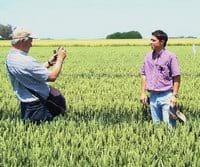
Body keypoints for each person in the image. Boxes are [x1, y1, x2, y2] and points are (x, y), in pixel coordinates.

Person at [6, 28, 67, 123]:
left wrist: (49, 63)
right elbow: (52, 76)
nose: (31, 44)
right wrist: (60, 59)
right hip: (37, 106)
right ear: (22, 41)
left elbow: (30, 72)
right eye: (30, 41)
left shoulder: (12, 57)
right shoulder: (24, 60)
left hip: (28, 104)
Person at [140, 30, 181, 127]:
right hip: (153, 96)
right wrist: (143, 93)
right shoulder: (148, 56)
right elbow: (143, 74)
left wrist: (174, 96)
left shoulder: (170, 56)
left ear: (161, 42)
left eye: (153, 40)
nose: (151, 42)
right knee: (157, 127)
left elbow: (177, 76)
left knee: (169, 127)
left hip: (166, 96)